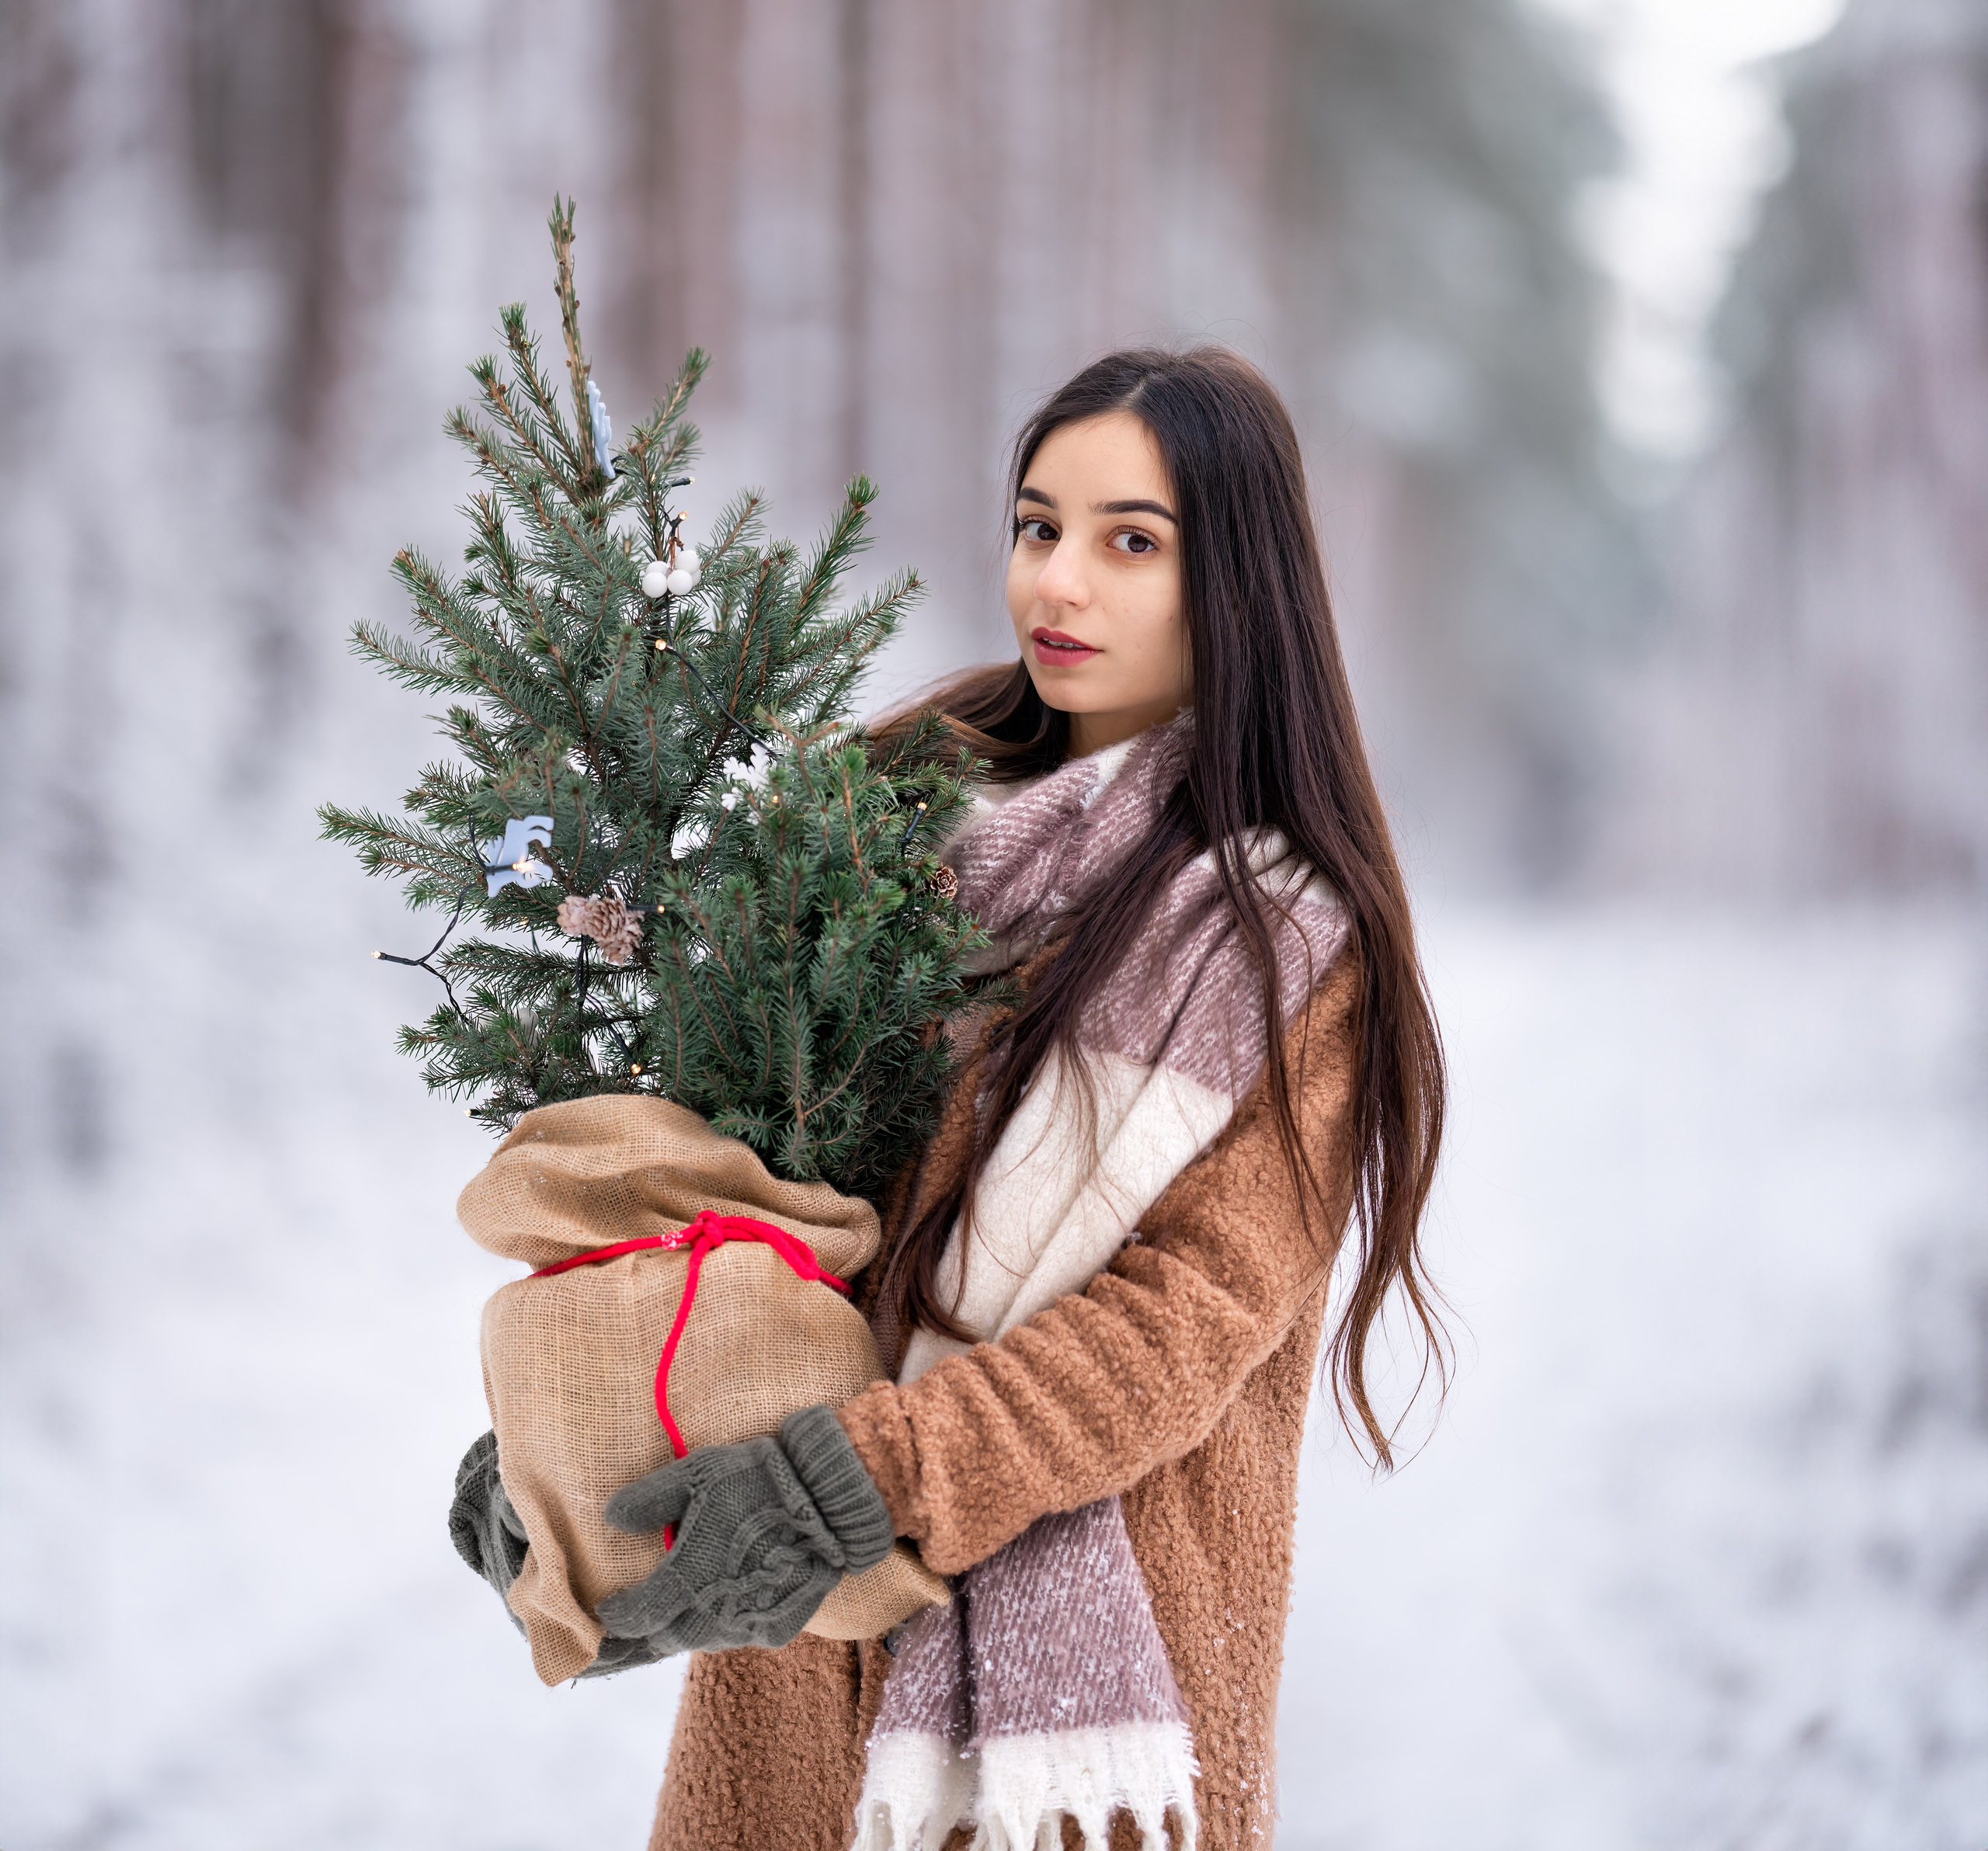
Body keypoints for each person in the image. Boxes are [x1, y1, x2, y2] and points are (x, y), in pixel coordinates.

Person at [470, 346, 1448, 1851]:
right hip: (807, 1649)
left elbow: (1171, 1329)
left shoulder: (1280, 941)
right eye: (1034, 523)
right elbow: (744, 1198)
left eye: (1131, 540)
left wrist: (871, 1476)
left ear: (1235, 579)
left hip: (1088, 1709)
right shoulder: (878, 833)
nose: (1058, 579)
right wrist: (569, 1439)